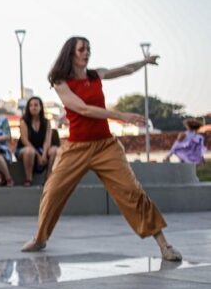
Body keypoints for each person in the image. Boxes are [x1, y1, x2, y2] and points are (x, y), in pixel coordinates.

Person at [21, 36, 182, 261]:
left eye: (88, 49)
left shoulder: (96, 74)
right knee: (53, 191)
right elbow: (83, 109)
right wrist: (121, 116)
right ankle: (40, 238)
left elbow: (125, 69)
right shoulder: (61, 82)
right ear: (71, 54)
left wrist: (144, 62)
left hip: (106, 147)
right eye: (81, 50)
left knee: (133, 191)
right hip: (76, 148)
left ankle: (164, 245)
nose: (86, 53)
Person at [16, 96, 60, 186]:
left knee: (55, 149)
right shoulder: (24, 121)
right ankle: (28, 178)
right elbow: (25, 141)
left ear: (41, 107)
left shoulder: (46, 122)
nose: (33, 107)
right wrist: (39, 156)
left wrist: (44, 154)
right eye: (31, 105)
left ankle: (48, 177)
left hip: (41, 149)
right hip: (25, 149)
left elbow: (47, 141)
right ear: (28, 108)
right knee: (29, 151)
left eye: (36, 105)